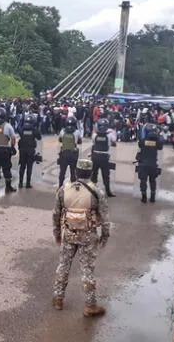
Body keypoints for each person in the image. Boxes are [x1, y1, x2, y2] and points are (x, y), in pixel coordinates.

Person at [52, 159, 110, 317]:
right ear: (91, 173)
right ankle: (90, 306)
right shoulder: (97, 192)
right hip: (88, 236)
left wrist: (57, 234)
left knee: (63, 265)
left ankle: (58, 299)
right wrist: (104, 237)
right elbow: (105, 218)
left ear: (76, 172)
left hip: (69, 234)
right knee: (87, 270)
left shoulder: (64, 190)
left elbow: (56, 214)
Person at [136, 123, 163, 203]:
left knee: (143, 181)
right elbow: (160, 146)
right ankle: (152, 197)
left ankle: (144, 197)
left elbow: (139, 146)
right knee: (152, 180)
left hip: (143, 164)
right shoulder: (157, 142)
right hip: (153, 164)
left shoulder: (143, 141)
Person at [91, 118, 117, 197]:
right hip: (104, 157)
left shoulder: (94, 135)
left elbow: (93, 141)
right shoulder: (110, 135)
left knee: (94, 174)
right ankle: (108, 191)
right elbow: (114, 142)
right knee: (106, 175)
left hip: (95, 156)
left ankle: (92, 190)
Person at [17, 113, 42, 189]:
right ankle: (28, 183)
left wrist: (20, 121)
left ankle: (20, 183)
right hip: (30, 150)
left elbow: (18, 128)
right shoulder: (34, 130)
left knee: (22, 166)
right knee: (29, 167)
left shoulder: (22, 129)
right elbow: (39, 137)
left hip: (22, 150)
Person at [58, 116, 82, 187]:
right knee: (73, 172)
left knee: (62, 172)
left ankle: (60, 186)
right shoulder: (77, 132)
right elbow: (80, 142)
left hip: (64, 153)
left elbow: (60, 140)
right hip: (73, 154)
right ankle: (73, 187)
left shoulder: (62, 131)